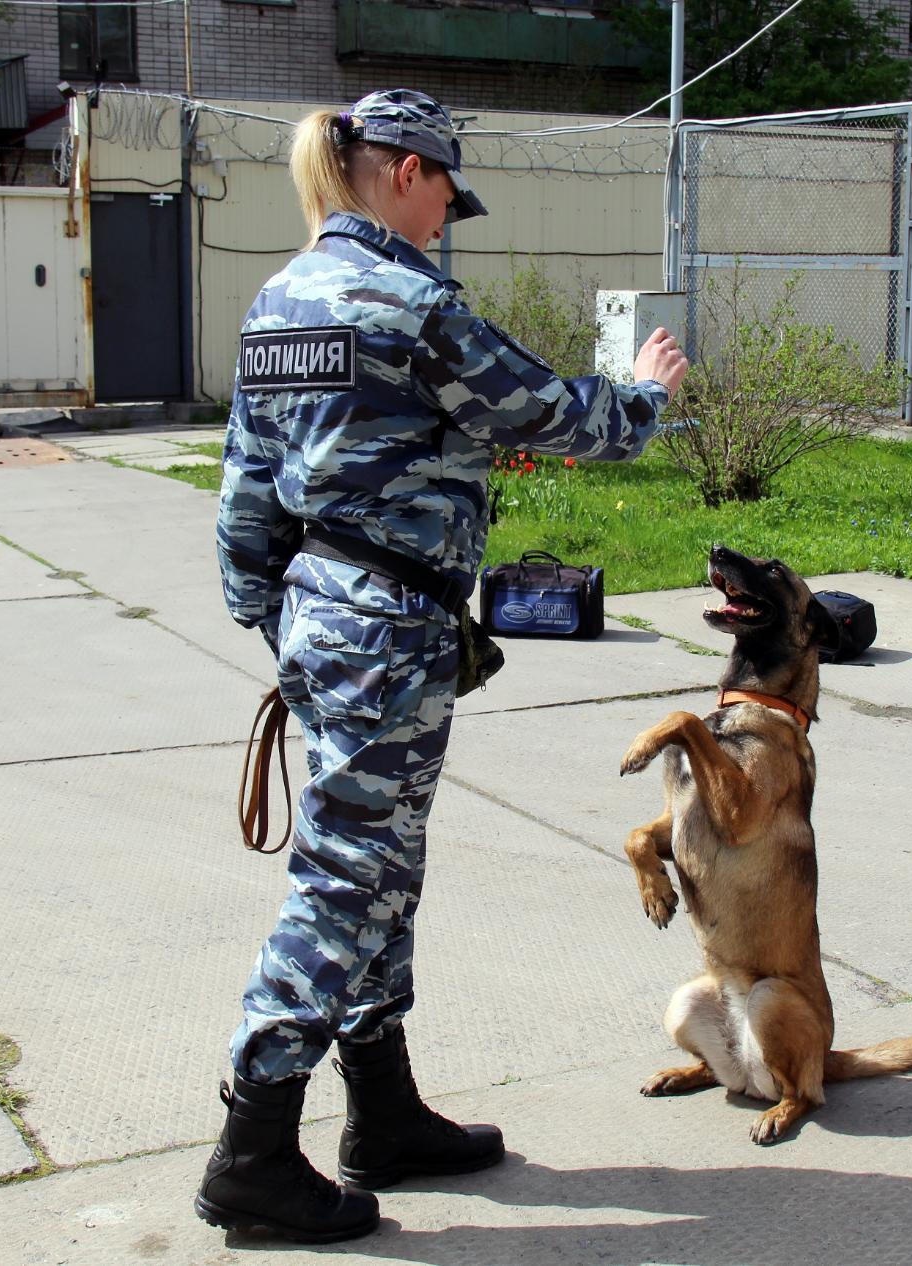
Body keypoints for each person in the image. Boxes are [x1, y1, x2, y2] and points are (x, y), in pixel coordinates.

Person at [196, 89, 688, 1244]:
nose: (444, 223)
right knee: (346, 882)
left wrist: (281, 621)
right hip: (386, 628)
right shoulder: (408, 303)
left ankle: (383, 1113)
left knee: (380, 866)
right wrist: (649, 397)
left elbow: (244, 487)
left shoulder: (280, 301)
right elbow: (559, 416)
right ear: (406, 171)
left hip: (324, 617)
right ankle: (252, 1150)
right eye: (444, 199)